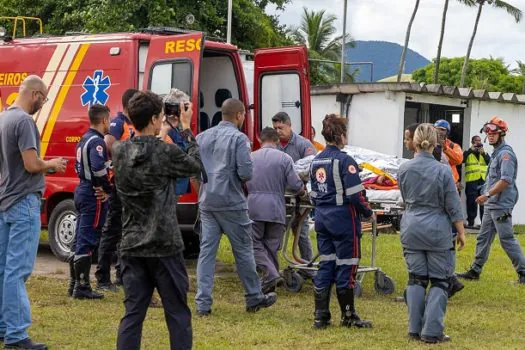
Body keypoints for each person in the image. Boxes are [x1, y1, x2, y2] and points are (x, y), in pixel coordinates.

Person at [113, 91, 201, 350]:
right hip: (164, 244)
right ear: (154, 119)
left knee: (133, 314)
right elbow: (196, 166)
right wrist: (185, 128)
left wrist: (157, 130)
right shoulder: (164, 152)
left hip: (132, 243)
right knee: (177, 315)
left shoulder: (119, 151)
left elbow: (138, 148)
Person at [0, 75, 67, 350]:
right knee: (18, 271)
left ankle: (4, 327)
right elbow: (30, 164)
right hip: (24, 201)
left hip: (4, 200)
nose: (43, 104)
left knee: (4, 269)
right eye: (45, 99)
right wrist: (52, 164)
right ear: (36, 95)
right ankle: (16, 334)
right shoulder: (25, 122)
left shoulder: (4, 118)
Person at [195, 98, 277, 316]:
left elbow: (194, 170)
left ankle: (203, 304)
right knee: (243, 251)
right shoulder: (240, 139)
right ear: (240, 115)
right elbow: (245, 173)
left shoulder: (201, 137)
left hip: (207, 202)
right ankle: (254, 297)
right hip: (232, 202)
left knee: (206, 253)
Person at [398, 123, 466, 344]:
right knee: (440, 281)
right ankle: (432, 331)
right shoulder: (443, 170)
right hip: (437, 230)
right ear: (436, 143)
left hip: (411, 227)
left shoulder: (404, 169)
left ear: (414, 142)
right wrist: (461, 231)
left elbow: (404, 197)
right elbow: (453, 205)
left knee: (416, 279)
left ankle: (414, 328)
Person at [310, 115, 373, 330]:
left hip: (321, 219)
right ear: (340, 135)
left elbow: (313, 193)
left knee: (326, 264)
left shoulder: (316, 161)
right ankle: (348, 316)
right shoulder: (346, 161)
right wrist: (368, 212)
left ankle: (320, 317)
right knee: (347, 265)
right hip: (343, 220)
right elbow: (356, 195)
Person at [457, 117, 525, 284]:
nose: (491, 135)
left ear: (502, 134)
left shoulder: (506, 154)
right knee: (483, 238)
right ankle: (475, 270)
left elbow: (506, 179)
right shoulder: (496, 154)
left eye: (494, 133)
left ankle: (523, 273)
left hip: (501, 204)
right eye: (488, 133)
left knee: (507, 239)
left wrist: (487, 194)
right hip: (491, 204)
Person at [247, 127, 304, 294]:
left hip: (254, 206)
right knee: (272, 245)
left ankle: (270, 276)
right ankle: (271, 279)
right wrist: (302, 191)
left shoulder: (250, 157)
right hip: (275, 207)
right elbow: (295, 184)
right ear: (277, 141)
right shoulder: (285, 158)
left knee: (253, 244)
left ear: (259, 138)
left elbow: (242, 180)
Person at [95, 88, 138, 291]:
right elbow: (108, 144)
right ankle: (103, 277)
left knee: (127, 230)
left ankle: (122, 274)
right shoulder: (118, 122)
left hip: (131, 184)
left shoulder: (133, 124)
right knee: (112, 230)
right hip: (118, 183)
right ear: (130, 104)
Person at [70, 104, 112, 300]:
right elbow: (98, 167)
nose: (109, 123)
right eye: (109, 120)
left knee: (79, 237)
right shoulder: (97, 141)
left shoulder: (83, 138)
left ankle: (74, 284)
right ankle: (82, 287)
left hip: (81, 189)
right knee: (87, 239)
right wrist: (107, 188)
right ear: (103, 120)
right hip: (92, 193)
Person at [272, 112, 316, 268]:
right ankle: (271, 268)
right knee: (276, 232)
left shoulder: (303, 145)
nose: (278, 131)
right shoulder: (273, 145)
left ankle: (307, 267)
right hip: (280, 197)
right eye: (275, 128)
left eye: (281, 127)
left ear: (289, 125)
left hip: (299, 197)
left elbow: (312, 167)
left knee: (301, 233)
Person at [463, 135, 490, 228]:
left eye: (479, 141)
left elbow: (489, 162)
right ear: (472, 142)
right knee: (471, 202)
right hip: (472, 180)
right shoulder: (468, 152)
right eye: (476, 141)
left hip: (482, 180)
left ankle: (484, 224)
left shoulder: (483, 153)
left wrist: (483, 153)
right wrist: (471, 149)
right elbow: (462, 160)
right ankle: (470, 223)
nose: (478, 143)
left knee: (483, 202)